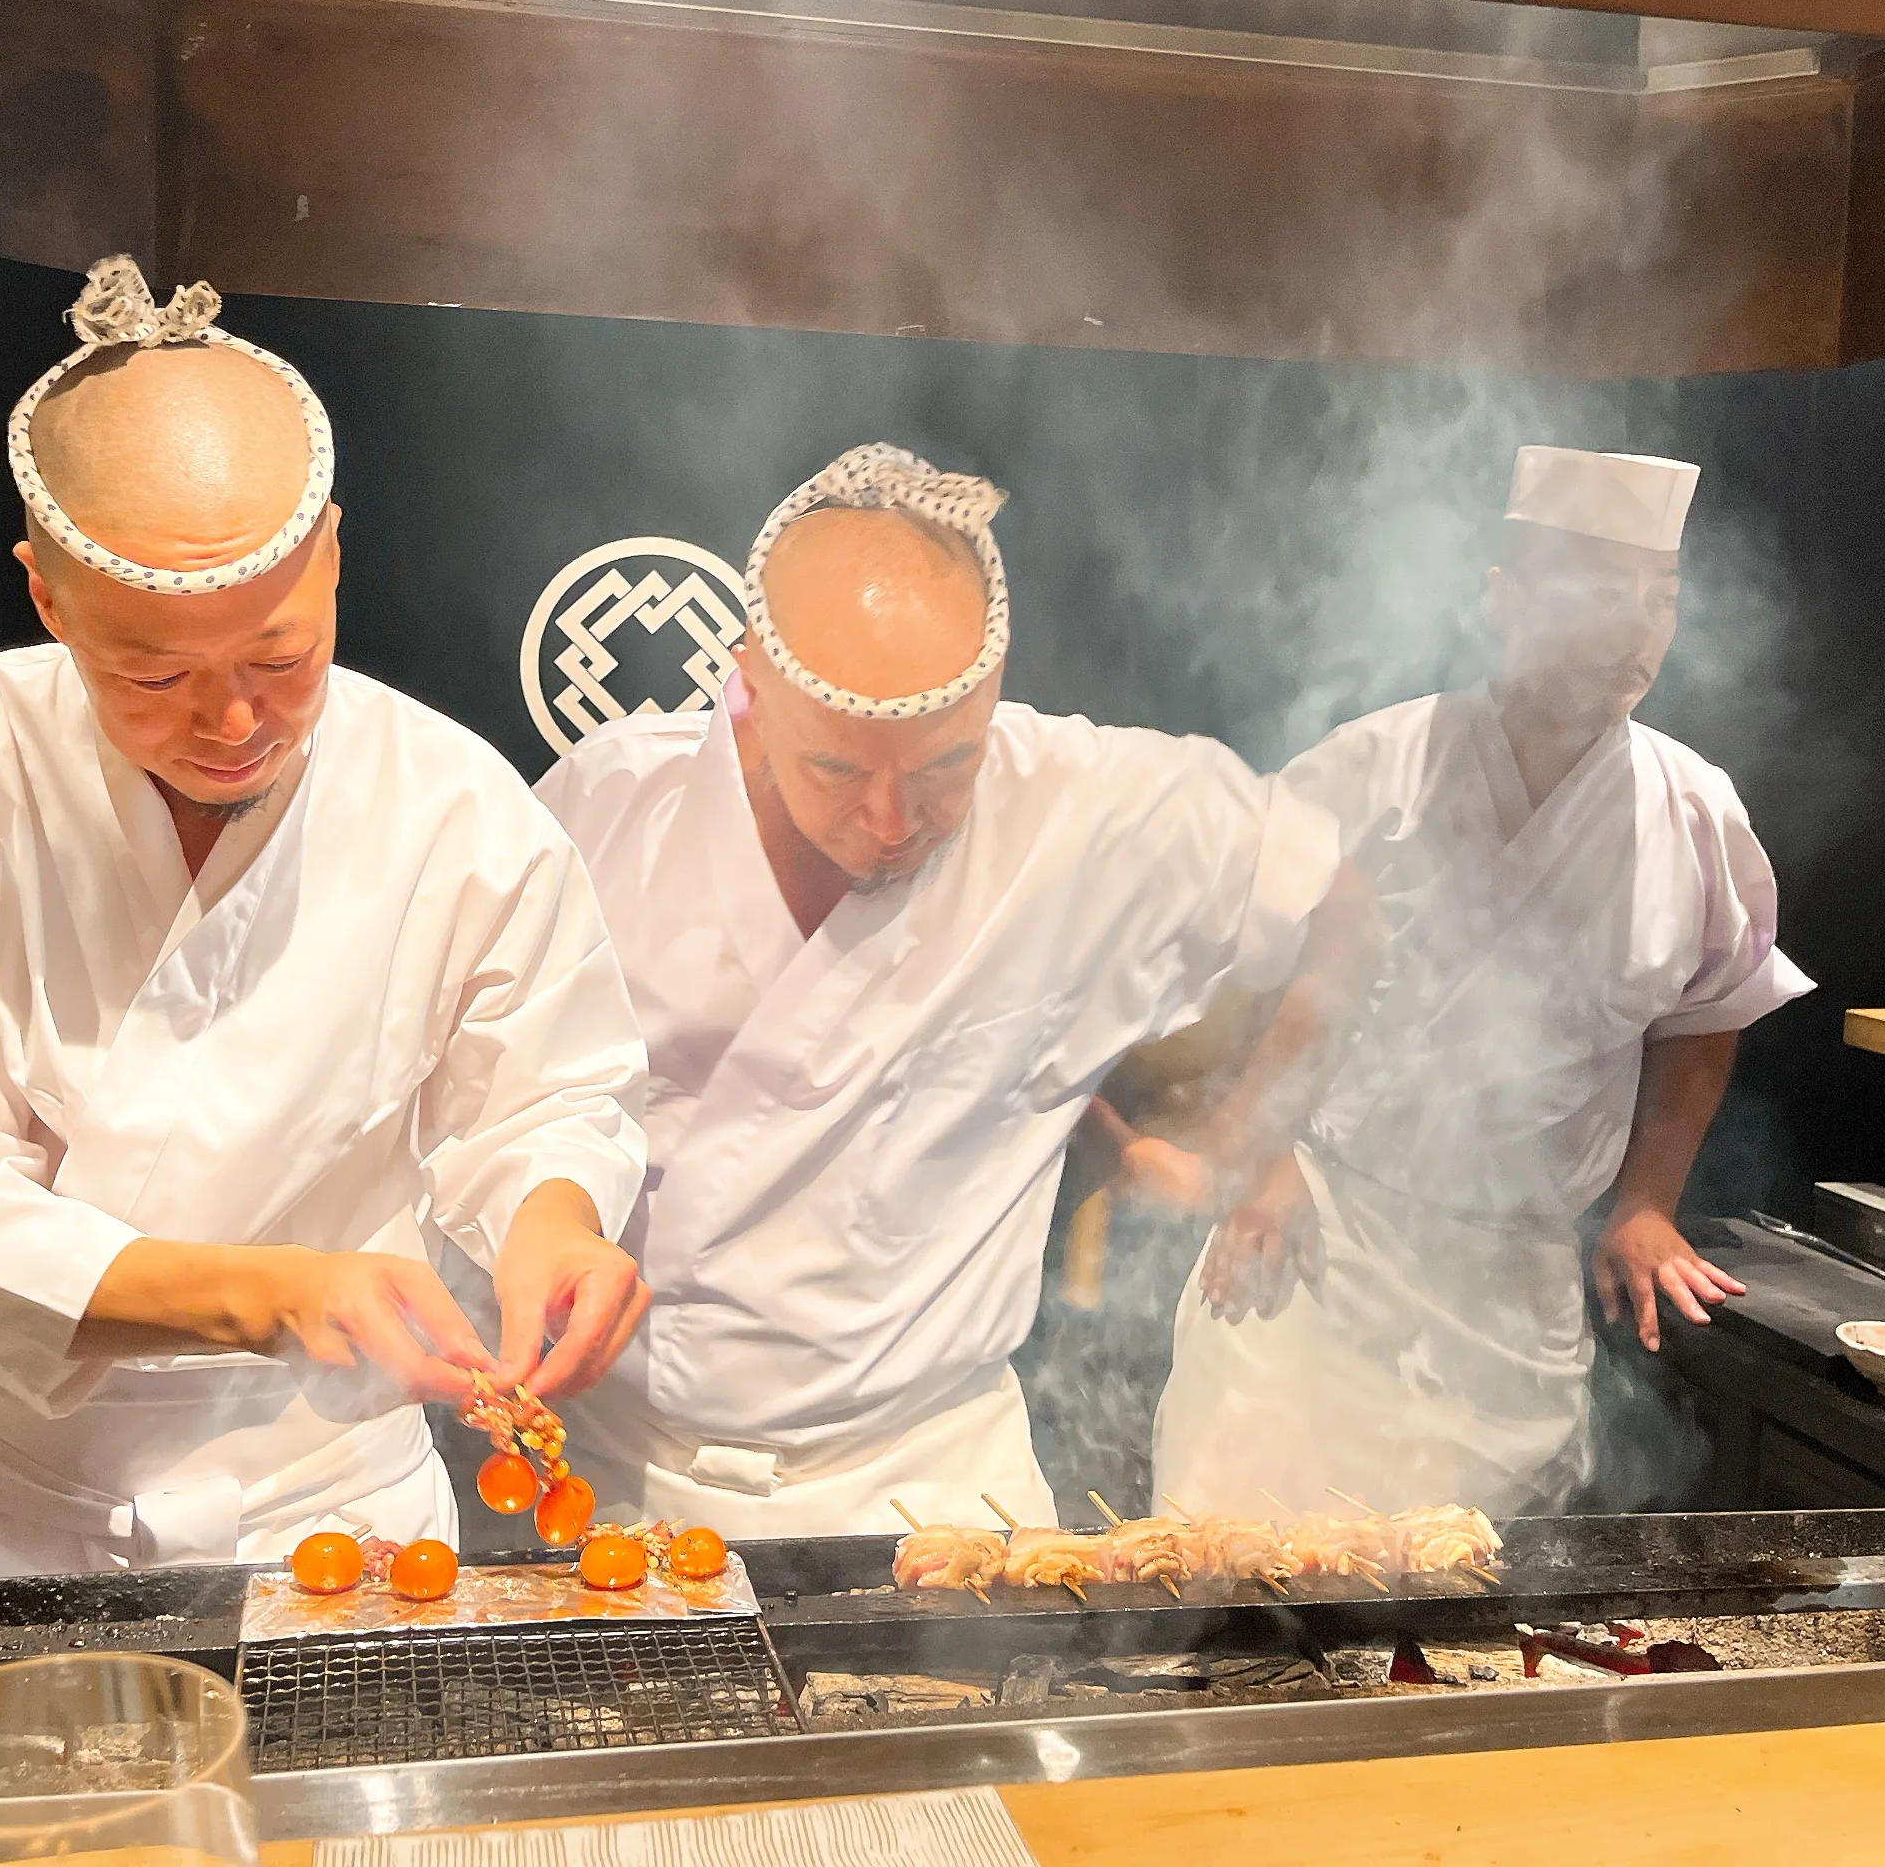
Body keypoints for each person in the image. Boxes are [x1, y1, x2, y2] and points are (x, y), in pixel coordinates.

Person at [0, 261, 650, 1692]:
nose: (229, 721)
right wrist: (259, 1292)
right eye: (149, 676)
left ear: (332, 554)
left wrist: (556, 1224)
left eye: (281, 655)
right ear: (44, 593)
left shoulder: (457, 808)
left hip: (331, 1518)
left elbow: (543, 1096)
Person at [536, 443, 1379, 1535]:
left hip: (931, 1488)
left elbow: (1342, 910)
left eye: (945, 766)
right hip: (614, 1477)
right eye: (837, 769)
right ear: (746, 683)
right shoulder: (606, 812)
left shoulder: (1086, 811)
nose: (892, 823)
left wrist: (1249, 1138)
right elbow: (494, 1094)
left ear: (994, 696)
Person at [1150, 445, 1812, 1517]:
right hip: (1322, 1243)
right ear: (1507, 602)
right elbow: (1224, 966)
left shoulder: (1694, 810)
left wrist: (1646, 1202)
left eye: (1662, 596)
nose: (1639, 624)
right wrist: (1254, 1151)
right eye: (1604, 589)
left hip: (1513, 1284)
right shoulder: (1377, 765)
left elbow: (1708, 1013)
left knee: (1462, 1623)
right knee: (1233, 1581)